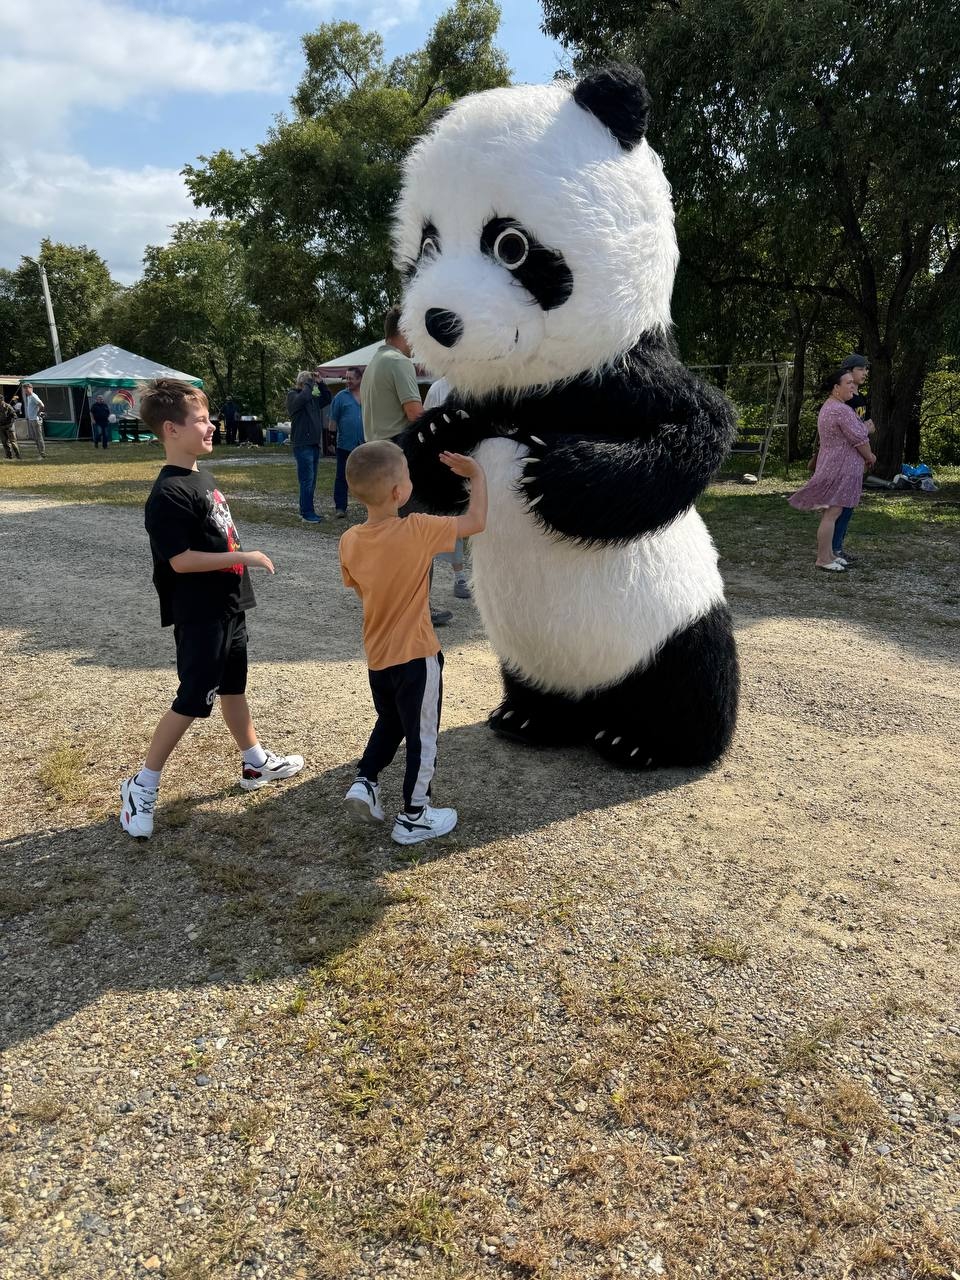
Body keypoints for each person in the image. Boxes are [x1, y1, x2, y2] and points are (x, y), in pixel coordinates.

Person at [119, 378, 303, 839]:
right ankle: (141, 785)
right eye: (200, 420)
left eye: (208, 418)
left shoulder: (199, 476)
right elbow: (180, 561)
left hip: (228, 606)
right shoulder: (167, 495)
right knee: (193, 697)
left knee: (233, 685)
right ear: (171, 429)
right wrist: (243, 557)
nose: (211, 426)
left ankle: (255, 763)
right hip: (199, 612)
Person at [339, 440, 487, 845]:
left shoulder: (349, 540)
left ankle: (365, 781)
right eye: (406, 475)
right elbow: (475, 522)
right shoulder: (419, 529)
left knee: (390, 722)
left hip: (378, 657)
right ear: (398, 493)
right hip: (417, 657)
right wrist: (476, 475)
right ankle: (415, 816)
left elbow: (362, 590)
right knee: (422, 736)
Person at [361, 307, 453, 626]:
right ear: (405, 332)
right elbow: (415, 415)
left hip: (376, 456)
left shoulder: (375, 362)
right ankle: (418, 610)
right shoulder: (399, 363)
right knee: (416, 533)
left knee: (389, 535)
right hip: (399, 454)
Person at [789, 369, 876, 572]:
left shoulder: (833, 406)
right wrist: (870, 455)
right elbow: (859, 438)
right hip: (840, 467)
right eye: (848, 383)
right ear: (836, 388)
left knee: (831, 512)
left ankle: (830, 555)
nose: (853, 386)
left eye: (853, 383)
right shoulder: (840, 410)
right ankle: (823, 558)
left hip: (835, 464)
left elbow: (853, 434)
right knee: (832, 513)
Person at [423, 376, 472, 600]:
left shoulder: (478, 383)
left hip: (476, 461)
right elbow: (426, 423)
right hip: (447, 463)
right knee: (453, 522)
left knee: (482, 521)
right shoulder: (438, 388)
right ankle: (460, 577)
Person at [830, 353, 875, 563]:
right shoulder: (844, 400)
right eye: (861, 369)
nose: (865, 373)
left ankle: (837, 546)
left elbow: (863, 428)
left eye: (866, 369)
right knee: (839, 507)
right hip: (843, 458)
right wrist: (863, 430)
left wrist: (864, 447)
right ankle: (833, 549)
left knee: (848, 507)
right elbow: (853, 431)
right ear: (849, 371)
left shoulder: (859, 398)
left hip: (856, 457)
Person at [286, 370, 332, 523]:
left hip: (313, 443)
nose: (310, 386)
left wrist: (320, 383)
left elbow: (327, 398)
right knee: (306, 480)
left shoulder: (312, 398)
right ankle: (307, 513)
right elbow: (303, 397)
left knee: (311, 481)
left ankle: (307, 510)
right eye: (308, 383)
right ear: (302, 383)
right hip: (302, 444)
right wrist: (308, 384)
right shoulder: (293, 396)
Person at [329, 367, 365, 518]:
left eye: (351, 378)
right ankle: (340, 508)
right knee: (342, 476)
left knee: (367, 475)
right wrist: (331, 441)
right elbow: (332, 421)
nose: (348, 381)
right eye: (346, 378)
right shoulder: (340, 397)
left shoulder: (368, 395)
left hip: (364, 444)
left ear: (359, 379)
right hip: (345, 444)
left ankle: (370, 506)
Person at [22, 384, 45, 458]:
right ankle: (40, 453)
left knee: (39, 437)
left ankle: (42, 454)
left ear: (31, 388)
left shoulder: (33, 396)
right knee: (35, 438)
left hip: (35, 420)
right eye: (24, 389)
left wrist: (38, 414)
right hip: (31, 420)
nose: (25, 390)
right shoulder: (29, 396)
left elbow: (42, 405)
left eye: (26, 388)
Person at [0, 394, 21, 459]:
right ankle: (9, 456)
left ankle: (18, 456)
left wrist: (10, 424)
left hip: (9, 427)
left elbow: (14, 416)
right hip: (1, 427)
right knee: (4, 442)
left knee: (13, 442)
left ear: (1, 400)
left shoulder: (8, 406)